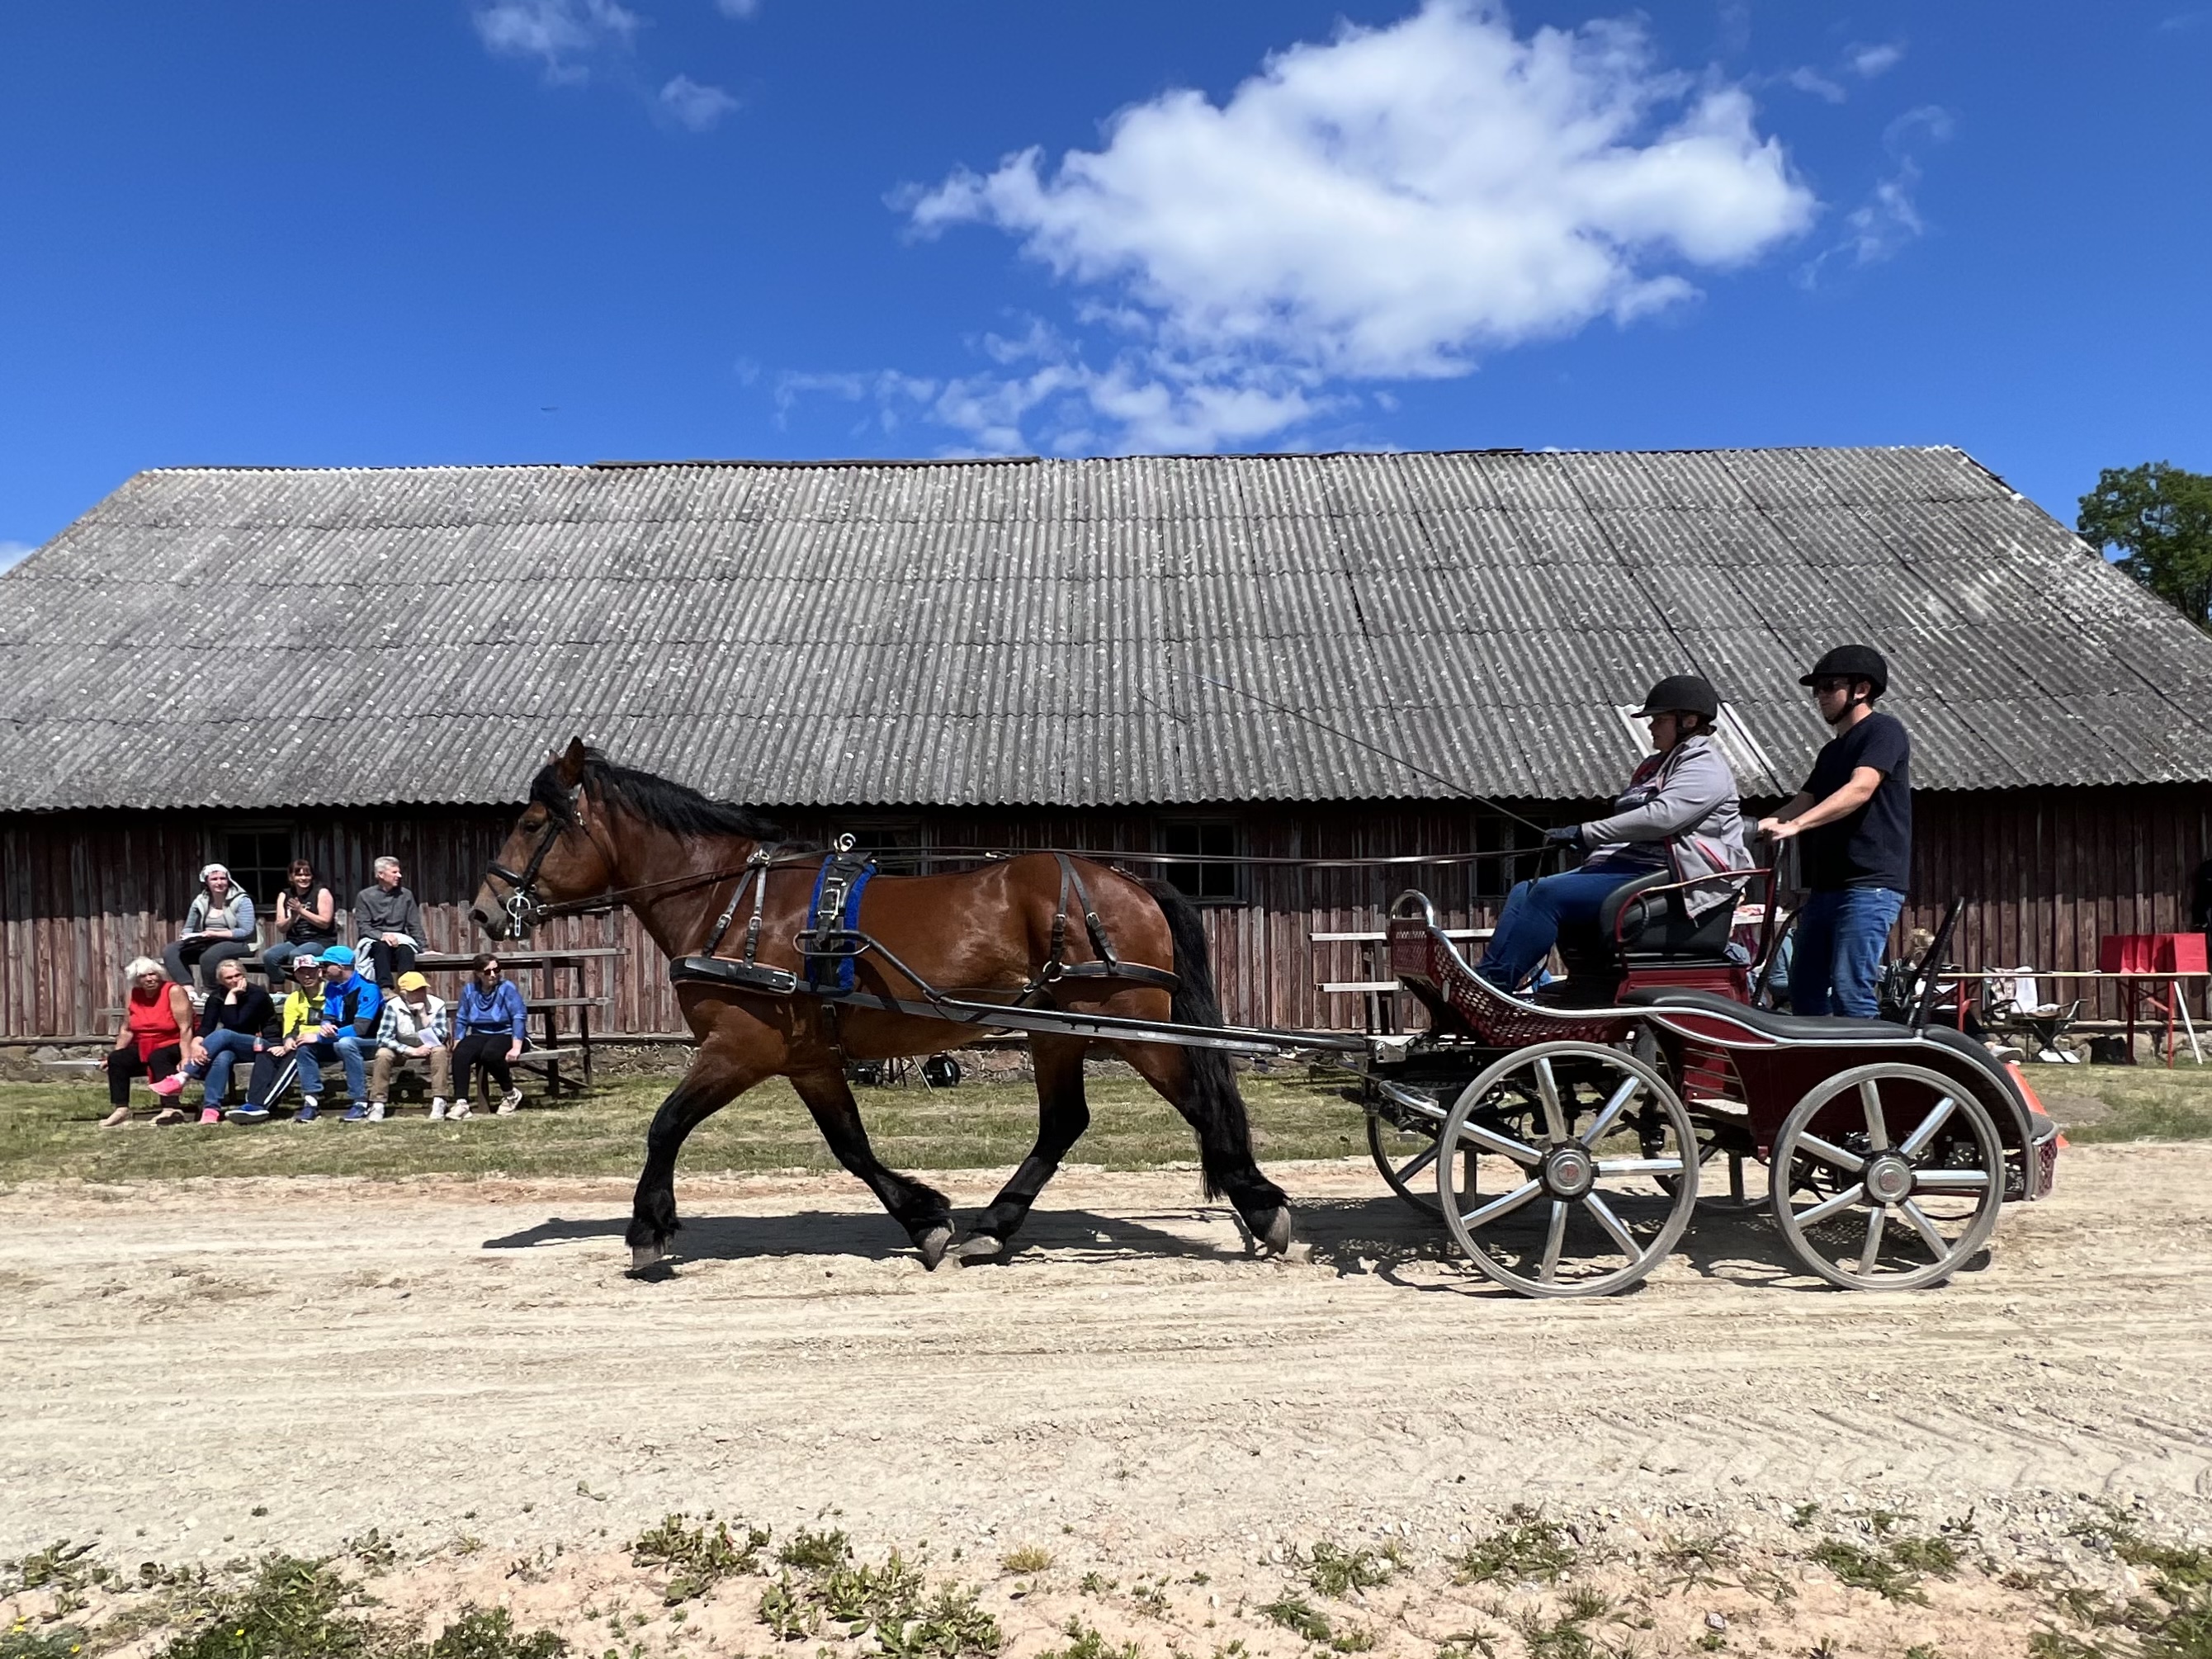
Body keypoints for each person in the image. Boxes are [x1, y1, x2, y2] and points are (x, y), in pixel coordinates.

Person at [1477, 675, 1751, 992]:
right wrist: (1591, 855)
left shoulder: (1704, 765)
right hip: (1630, 868)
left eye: (1660, 720)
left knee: (1547, 894)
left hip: (1670, 879)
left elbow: (1662, 818)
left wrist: (1585, 833)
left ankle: (1495, 986)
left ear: (1688, 721)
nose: (1651, 727)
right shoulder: (1657, 766)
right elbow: (1630, 824)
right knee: (1526, 889)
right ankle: (1487, 978)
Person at [1757, 644, 1912, 1019]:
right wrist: (1754, 827)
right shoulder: (1831, 752)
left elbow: (1860, 788)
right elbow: (1803, 800)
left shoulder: (1883, 731)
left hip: (1869, 885)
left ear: (1861, 689)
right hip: (1827, 888)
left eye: (1829, 686)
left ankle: (1871, 1076)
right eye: (1817, 689)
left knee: (1850, 988)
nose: (1820, 696)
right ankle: (1826, 1071)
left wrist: (1795, 827)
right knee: (1804, 989)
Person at [175, 956, 276, 1123]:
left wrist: (233, 995)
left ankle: (185, 1075)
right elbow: (207, 1026)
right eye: (229, 978)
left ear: (244, 975)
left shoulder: (257, 994)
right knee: (222, 1057)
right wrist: (196, 1043)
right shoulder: (216, 997)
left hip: (262, 1045)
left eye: (238, 975)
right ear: (221, 981)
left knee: (224, 1034)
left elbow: (235, 1023)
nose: (234, 980)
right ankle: (211, 1110)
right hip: (232, 1047)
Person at [100, 958, 196, 1127]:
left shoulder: (173, 991)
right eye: (143, 976)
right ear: (137, 981)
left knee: (159, 1056)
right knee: (118, 1058)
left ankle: (171, 1107)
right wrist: (114, 1054)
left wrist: (186, 1057)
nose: (150, 979)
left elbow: (186, 1028)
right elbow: (127, 1029)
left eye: (153, 974)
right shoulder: (134, 995)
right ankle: (121, 1109)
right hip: (145, 1043)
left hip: (174, 1042)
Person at [232, 954, 328, 1123]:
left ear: (320, 972)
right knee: (267, 1053)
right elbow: (290, 1028)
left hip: (325, 1042)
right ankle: (252, 1102)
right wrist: (288, 1040)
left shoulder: (331, 994)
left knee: (297, 1054)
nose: (306, 976)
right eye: (301, 972)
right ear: (296, 976)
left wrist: (314, 1036)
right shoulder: (294, 999)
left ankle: (261, 1105)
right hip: (300, 1042)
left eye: (310, 971)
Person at [300, 945, 382, 1123]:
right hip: (339, 1040)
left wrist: (321, 1036)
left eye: (326, 965)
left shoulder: (369, 989)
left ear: (341, 967)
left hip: (371, 1043)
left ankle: (360, 1102)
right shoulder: (332, 987)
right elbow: (328, 1016)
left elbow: (361, 1029)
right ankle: (311, 1102)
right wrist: (325, 1026)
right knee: (305, 1047)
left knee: (345, 1043)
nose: (322, 970)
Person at [450, 952, 527, 1118]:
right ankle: (461, 1103)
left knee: (490, 1054)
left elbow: (519, 1016)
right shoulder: (470, 990)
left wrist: (516, 1047)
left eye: (496, 970)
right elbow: (462, 1018)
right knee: (461, 1053)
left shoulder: (507, 988)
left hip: (506, 1033)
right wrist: (458, 1040)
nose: (493, 975)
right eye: (487, 971)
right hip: (480, 1034)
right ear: (478, 973)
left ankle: (511, 1094)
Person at [368, 971, 453, 1122]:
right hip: (403, 1047)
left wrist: (423, 1015)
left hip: (429, 1045)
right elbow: (383, 1037)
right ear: (404, 993)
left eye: (423, 989)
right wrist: (410, 1051)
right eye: (415, 991)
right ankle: (378, 1103)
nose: (421, 994)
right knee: (383, 1054)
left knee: (440, 1051)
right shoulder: (393, 1006)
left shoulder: (437, 1004)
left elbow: (440, 1037)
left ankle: (439, 1100)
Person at [163, 863, 258, 991]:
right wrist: (187, 937)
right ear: (206, 882)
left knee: (209, 956)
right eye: (214, 879)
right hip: (208, 941)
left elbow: (246, 931)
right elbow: (189, 927)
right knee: (171, 950)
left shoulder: (241, 900)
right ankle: (188, 990)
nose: (219, 882)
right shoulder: (201, 901)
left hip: (240, 942)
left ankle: (212, 991)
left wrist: (214, 934)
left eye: (223, 878)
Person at [261, 858, 339, 983]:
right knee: (269, 956)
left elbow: (325, 923)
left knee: (297, 955)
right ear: (291, 877)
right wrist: (292, 918)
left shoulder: (321, 892)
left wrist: (301, 911)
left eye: (307, 874)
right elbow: (281, 927)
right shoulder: (285, 895)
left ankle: (309, 987)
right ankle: (279, 989)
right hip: (294, 941)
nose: (303, 878)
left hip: (320, 941)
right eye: (299, 874)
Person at [353, 856, 424, 986]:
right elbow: (364, 926)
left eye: (399, 872)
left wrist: (424, 948)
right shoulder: (365, 896)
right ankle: (385, 989)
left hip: (399, 939)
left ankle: (407, 988)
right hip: (375, 939)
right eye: (394, 872)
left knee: (406, 951)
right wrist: (381, 936)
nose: (399, 875)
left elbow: (414, 924)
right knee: (381, 948)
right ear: (381, 874)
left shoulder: (405, 895)